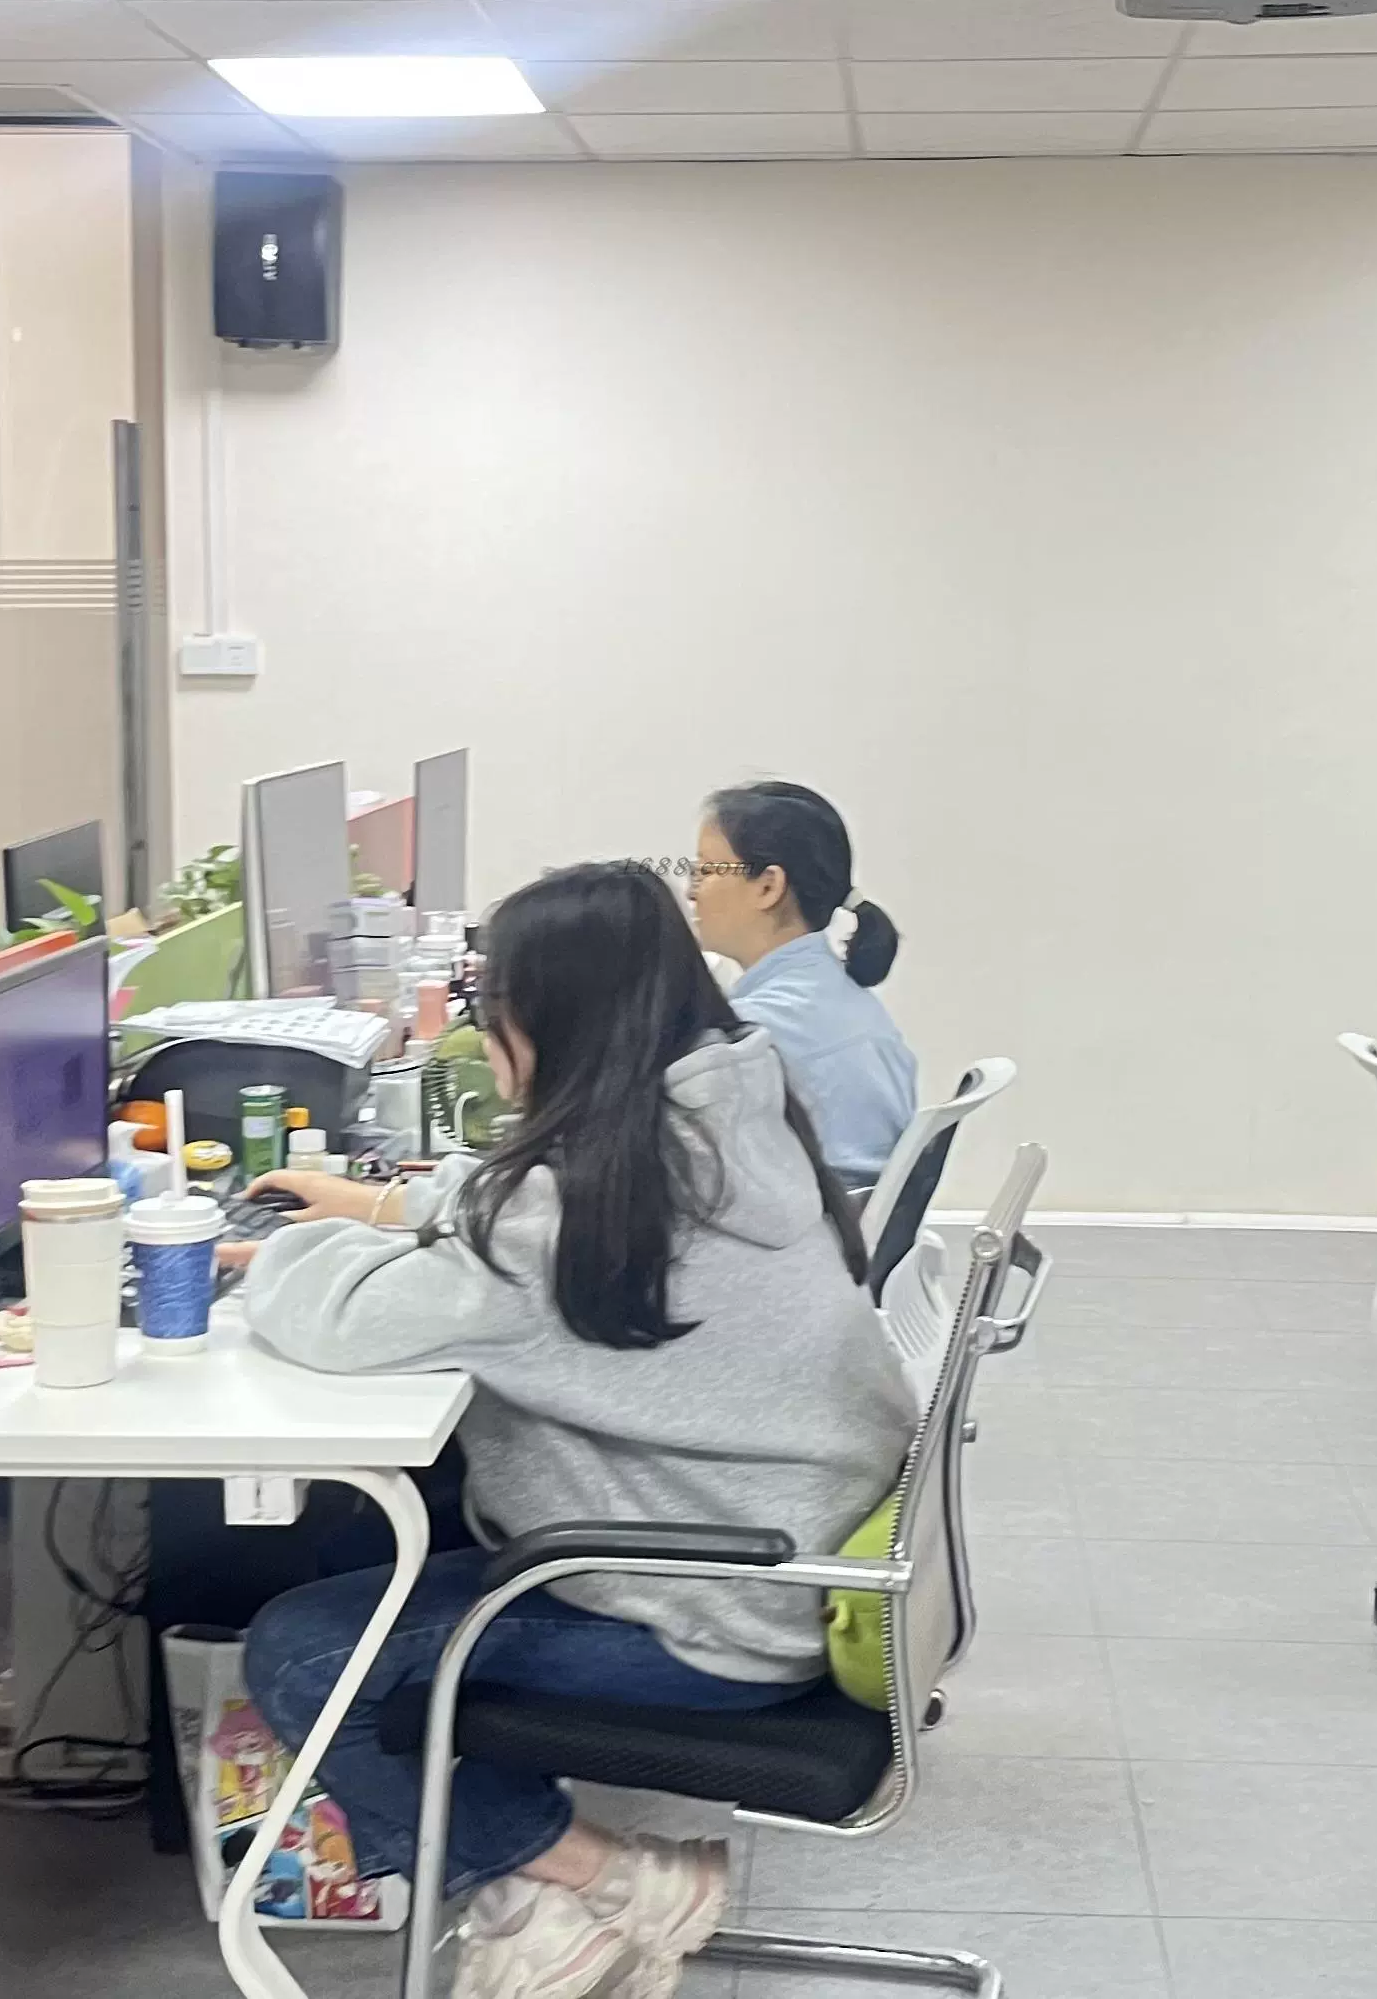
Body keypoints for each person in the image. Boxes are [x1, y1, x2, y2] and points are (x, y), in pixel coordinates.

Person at [233, 861, 917, 1999]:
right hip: (791, 1558)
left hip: (709, 1609)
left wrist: (286, 1245)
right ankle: (532, 1904)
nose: (476, 1031)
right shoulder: (724, 1121)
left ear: (545, 1023)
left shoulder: (578, 1216)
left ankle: (600, 1878)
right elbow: (525, 1212)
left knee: (302, 1652)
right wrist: (411, 1203)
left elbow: (341, 1322)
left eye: (486, 1005)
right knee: (388, 1541)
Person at [687, 780, 918, 1191]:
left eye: (706, 871)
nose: (690, 892)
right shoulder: (840, 997)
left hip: (812, 1223)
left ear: (768, 887)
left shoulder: (755, 1033)